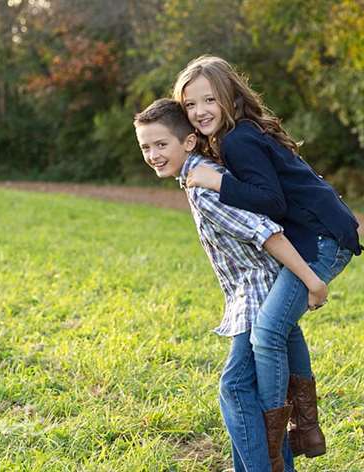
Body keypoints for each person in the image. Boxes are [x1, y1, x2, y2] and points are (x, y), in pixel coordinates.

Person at [172, 55, 363, 460]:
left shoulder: (239, 138)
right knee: (282, 329)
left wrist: (217, 181)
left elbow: (271, 204)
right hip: (319, 232)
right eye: (190, 105)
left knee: (268, 331)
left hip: (321, 238)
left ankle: (275, 442)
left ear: (229, 96)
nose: (200, 111)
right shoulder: (236, 135)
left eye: (209, 100)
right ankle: (306, 430)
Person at [134, 98, 329, 471]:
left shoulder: (204, 187)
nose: (153, 154)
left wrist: (311, 280)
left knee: (235, 387)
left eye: (162, 144)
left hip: (258, 296)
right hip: (249, 295)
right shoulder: (198, 176)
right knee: (246, 392)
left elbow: (265, 233)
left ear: (188, 142)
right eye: (146, 146)